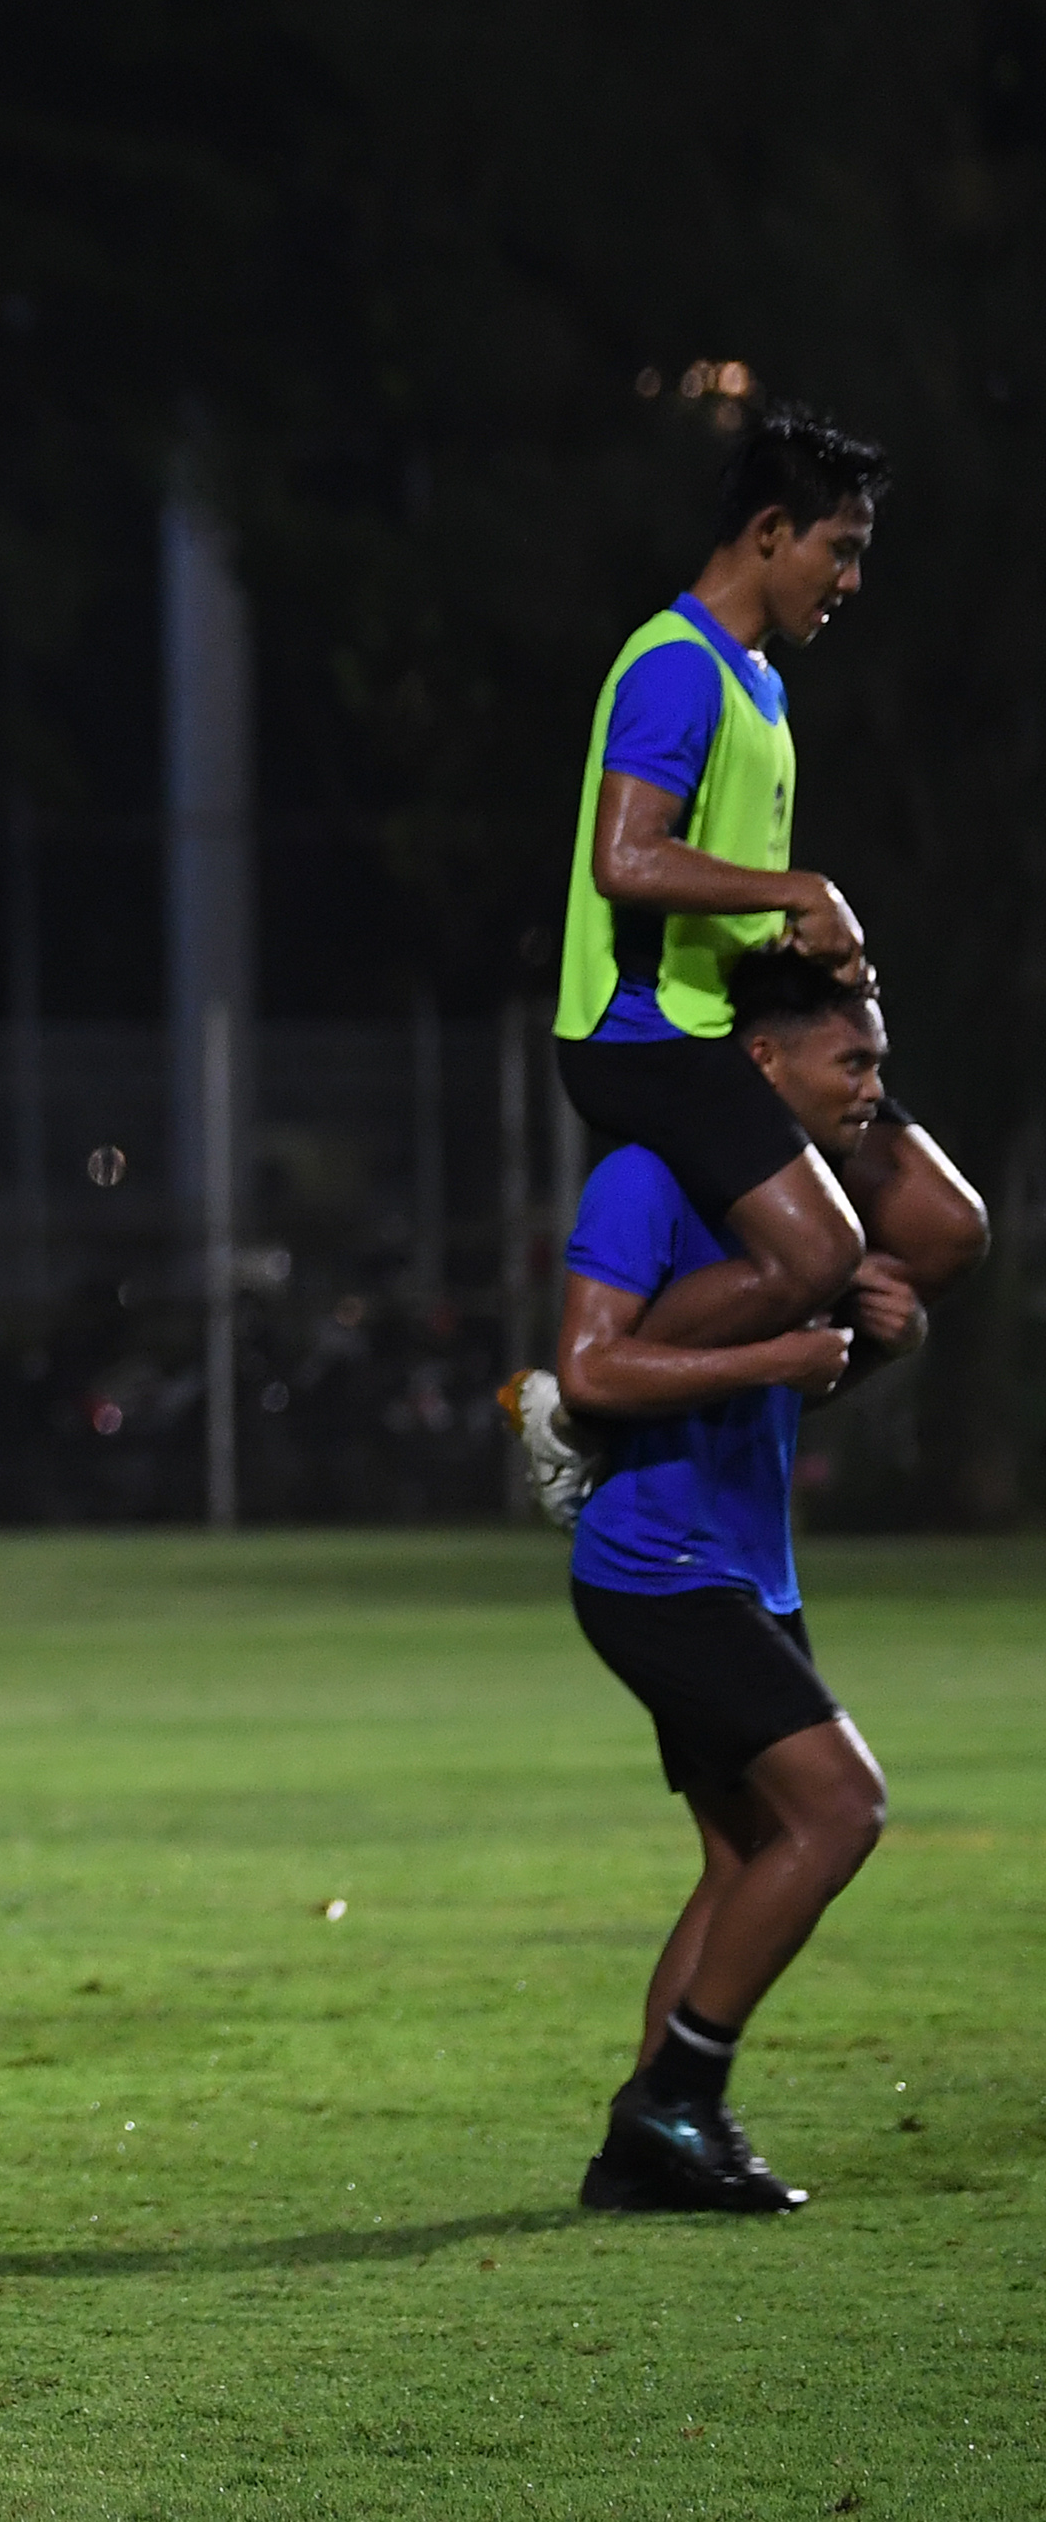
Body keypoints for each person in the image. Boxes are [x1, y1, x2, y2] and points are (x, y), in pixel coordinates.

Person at [514, 410, 990, 1514]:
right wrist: (798, 892)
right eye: (842, 550)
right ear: (771, 532)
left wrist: (816, 958)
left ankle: (701, 1406)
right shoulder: (676, 667)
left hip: (724, 1023)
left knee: (942, 1230)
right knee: (820, 1254)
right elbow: (625, 858)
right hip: (640, 1034)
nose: (852, 581)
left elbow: (715, 897)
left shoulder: (757, 680)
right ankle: (584, 1404)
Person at [554, 947, 922, 2212]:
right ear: (759, 1062)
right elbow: (590, 1374)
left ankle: (639, 2154)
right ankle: (677, 2096)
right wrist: (777, 1355)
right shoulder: (646, 1176)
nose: (873, 1088)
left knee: (744, 1852)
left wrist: (869, 1348)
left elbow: (768, 1387)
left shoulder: (796, 1215)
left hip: (742, 1570)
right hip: (656, 1568)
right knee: (841, 1809)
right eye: (853, 1061)